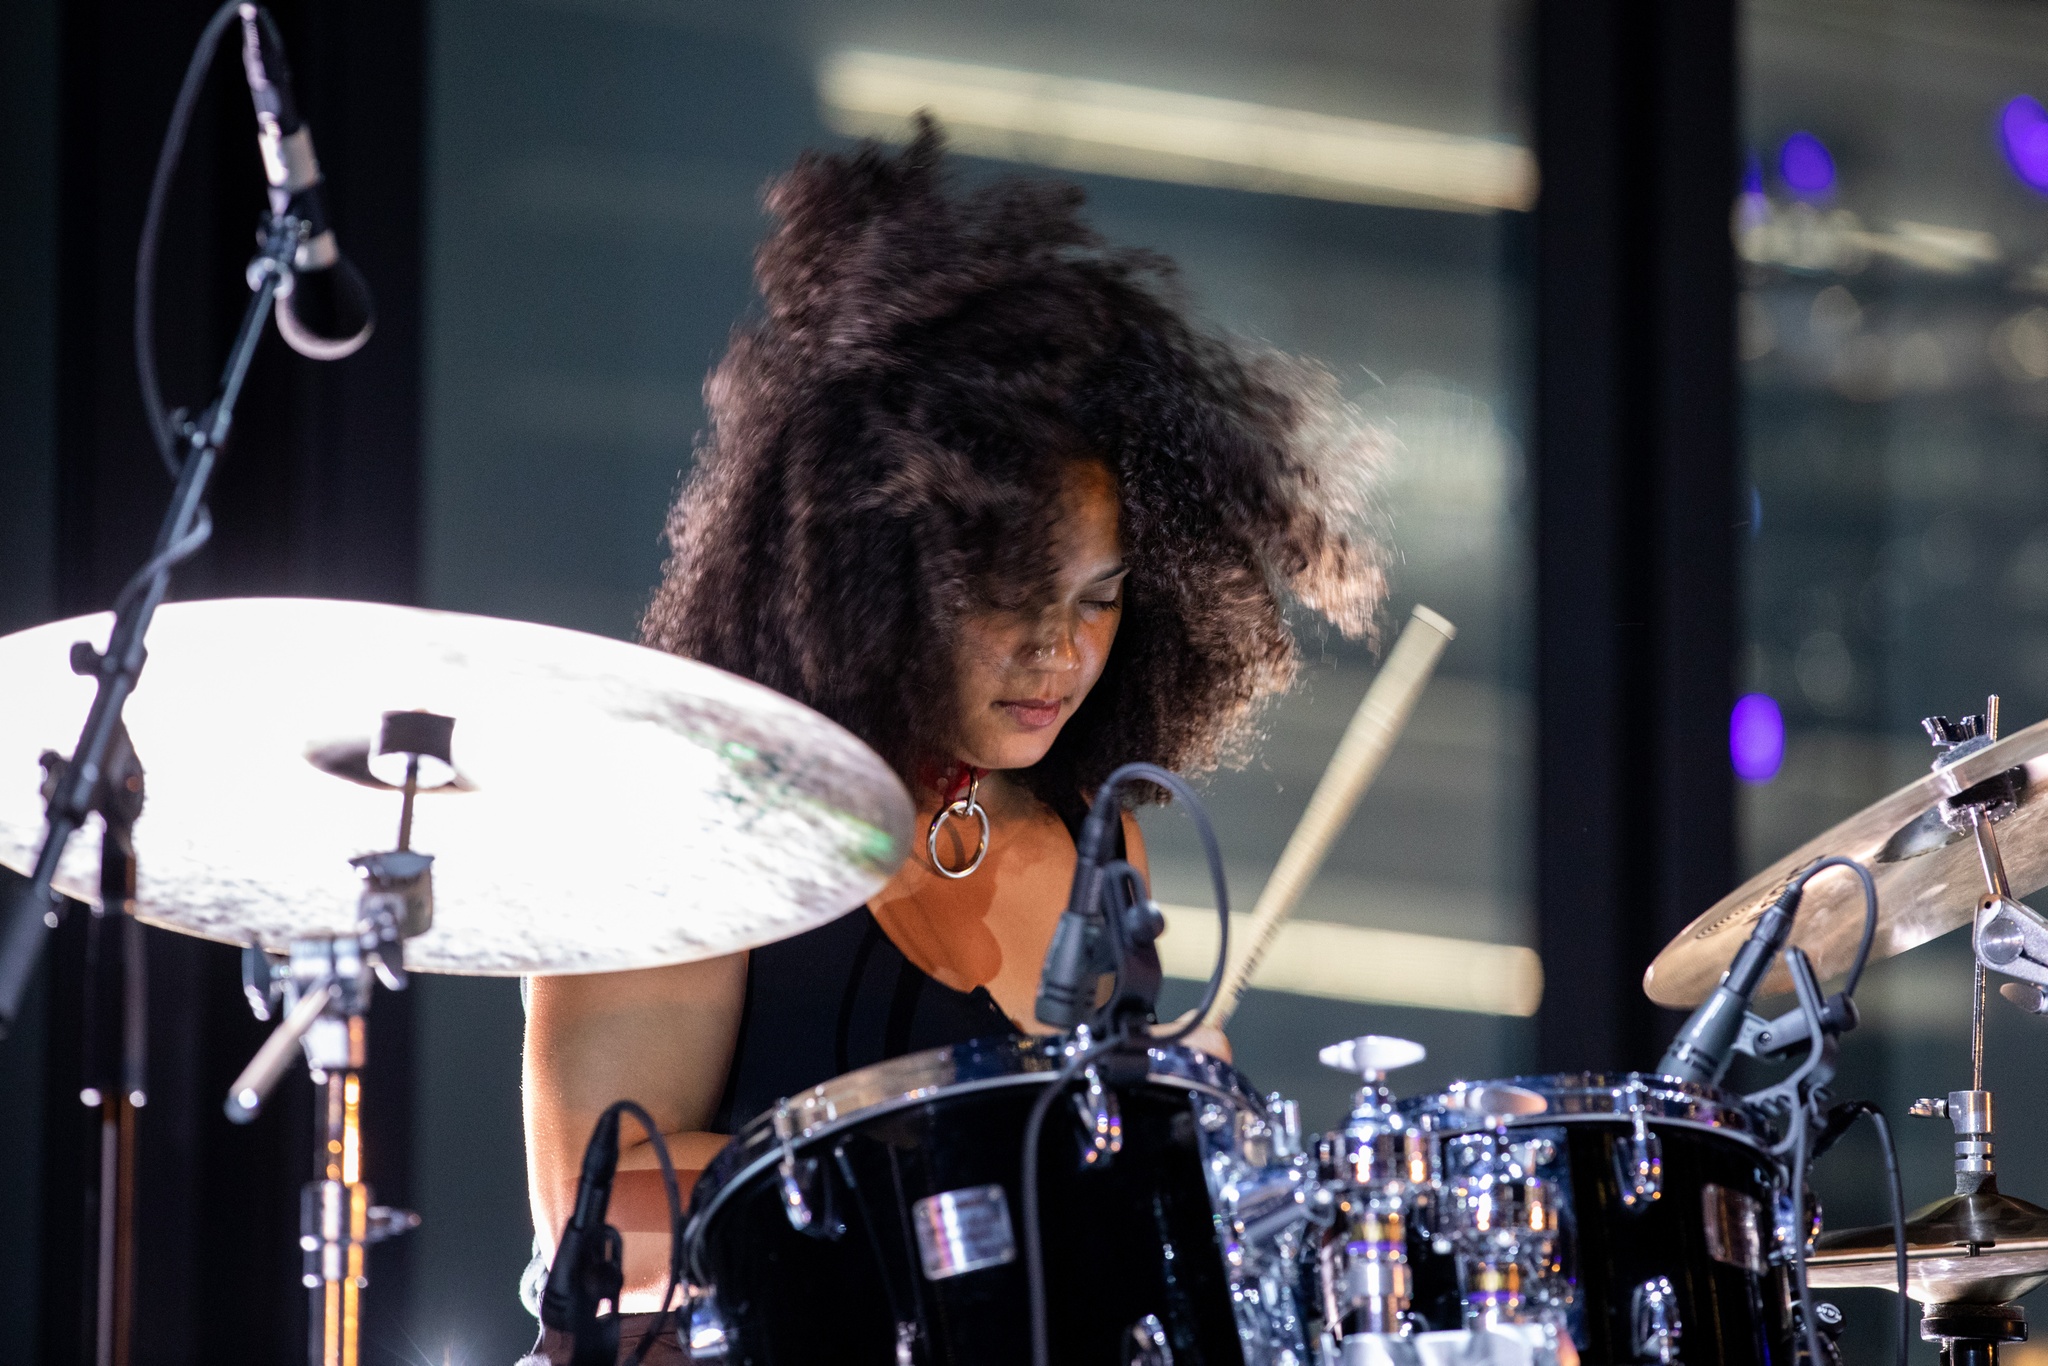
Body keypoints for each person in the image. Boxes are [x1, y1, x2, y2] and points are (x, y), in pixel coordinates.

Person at [519, 118, 1386, 1355]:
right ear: (872, 566)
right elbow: (598, 1216)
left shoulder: (1088, 840)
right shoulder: (689, 807)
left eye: (1098, 600)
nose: (1062, 654)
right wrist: (987, 1176)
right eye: (1008, 600)